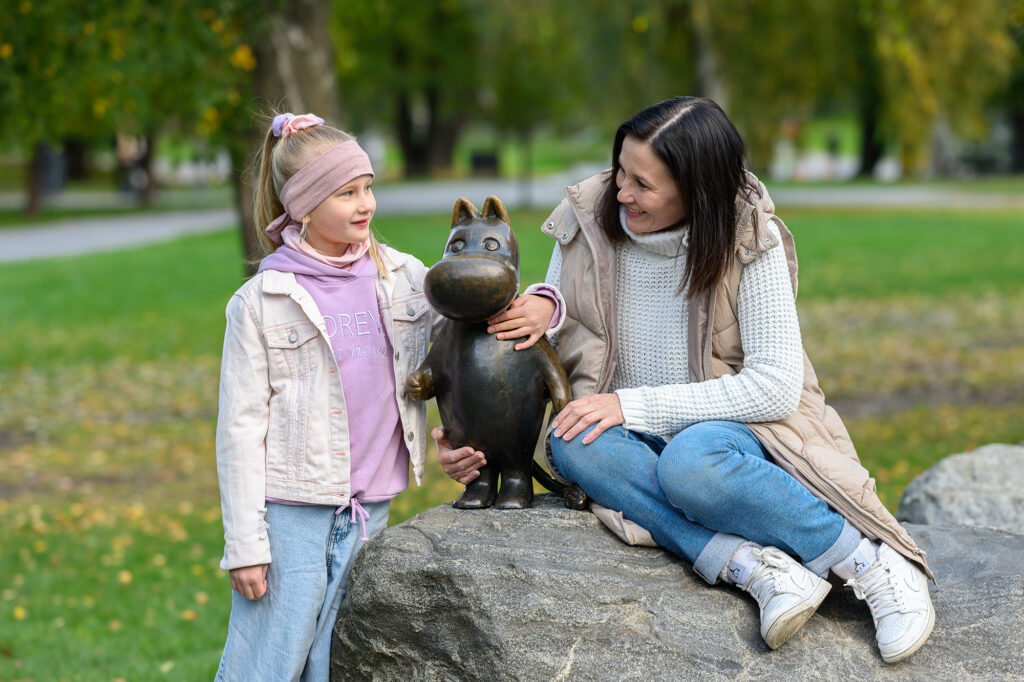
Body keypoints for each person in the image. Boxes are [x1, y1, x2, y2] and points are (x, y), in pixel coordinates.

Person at [439, 97, 935, 663]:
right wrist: (476, 434)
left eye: (642, 184)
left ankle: (867, 560)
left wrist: (631, 406)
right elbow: (559, 315)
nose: (621, 192)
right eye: (620, 171)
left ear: (696, 188)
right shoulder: (587, 216)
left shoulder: (751, 237)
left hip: (733, 432)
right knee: (571, 441)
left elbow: (775, 385)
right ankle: (751, 566)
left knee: (692, 463)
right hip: (626, 434)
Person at [214, 113, 559, 681]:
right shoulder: (261, 302)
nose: (365, 203)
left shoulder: (402, 278)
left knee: (332, 658)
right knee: (270, 659)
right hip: (291, 511)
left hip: (369, 505)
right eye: (345, 193)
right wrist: (246, 544)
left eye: (368, 186)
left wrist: (545, 301)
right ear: (301, 205)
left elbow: (469, 328)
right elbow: (240, 429)